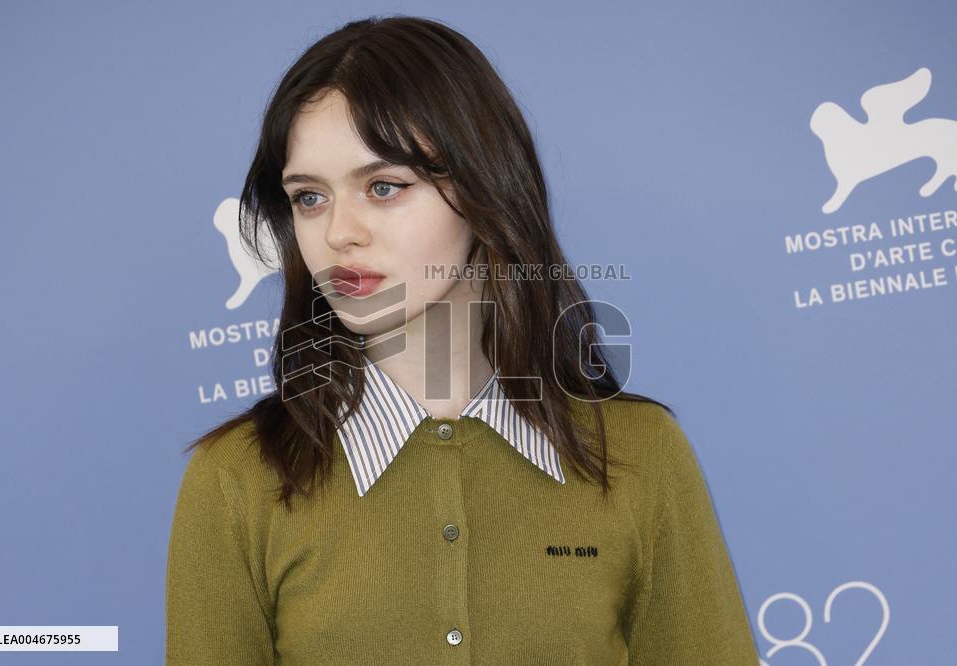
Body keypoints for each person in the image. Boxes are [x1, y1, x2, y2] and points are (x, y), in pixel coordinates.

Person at [166, 14, 759, 665]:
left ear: (485, 188)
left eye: (384, 187)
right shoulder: (236, 481)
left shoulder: (640, 455)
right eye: (309, 198)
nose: (338, 233)